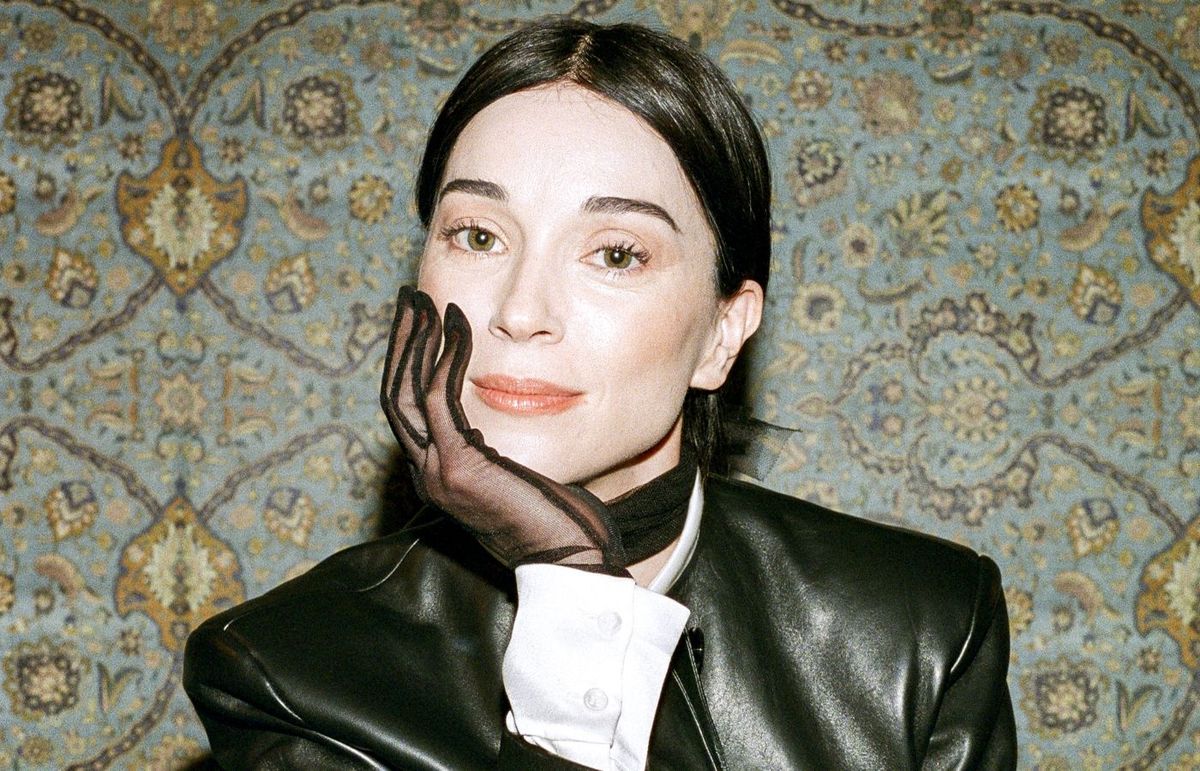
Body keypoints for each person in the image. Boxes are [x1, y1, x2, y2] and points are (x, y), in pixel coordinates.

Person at [183, 17, 1016, 770]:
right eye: (478, 235)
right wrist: (572, 582)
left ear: (723, 333)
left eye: (615, 253)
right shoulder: (291, 670)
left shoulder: (919, 630)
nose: (521, 311)